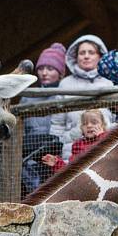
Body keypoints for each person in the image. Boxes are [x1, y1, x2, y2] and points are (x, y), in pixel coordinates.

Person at [19, 43, 67, 195]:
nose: (44, 73)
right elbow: (21, 129)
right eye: (41, 68)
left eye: (50, 69)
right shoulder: (28, 96)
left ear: (60, 73)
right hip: (29, 152)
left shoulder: (66, 95)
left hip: (55, 150)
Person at [56, 35, 113, 158]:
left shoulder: (109, 83)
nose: (86, 56)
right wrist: (55, 147)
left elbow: (115, 119)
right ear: (75, 57)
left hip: (104, 150)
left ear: (100, 56)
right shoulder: (65, 84)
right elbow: (57, 123)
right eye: (82, 53)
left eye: (91, 52)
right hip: (71, 152)